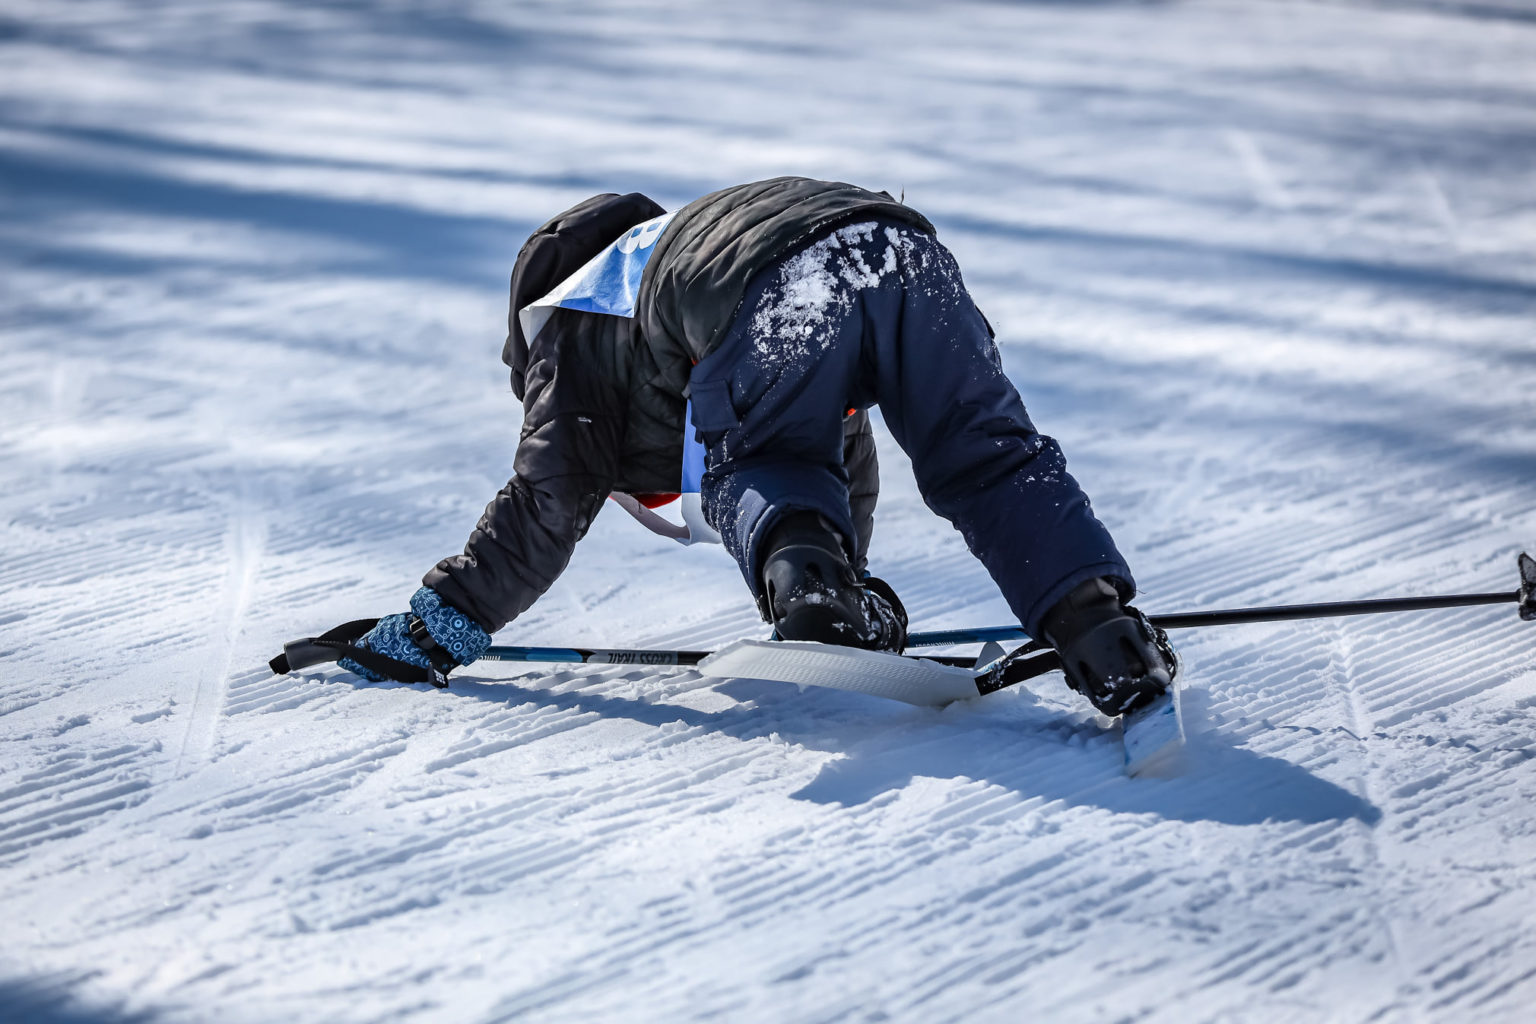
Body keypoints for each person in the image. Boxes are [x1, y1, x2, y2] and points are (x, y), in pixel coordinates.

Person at [325, 176, 1173, 716]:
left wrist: (440, 624)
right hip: (900, 245)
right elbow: (845, 448)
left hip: (770, 281)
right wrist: (850, 587)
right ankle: (1100, 626)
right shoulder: (659, 247)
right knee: (986, 450)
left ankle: (812, 586)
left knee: (761, 462)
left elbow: (548, 495)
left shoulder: (576, 318)